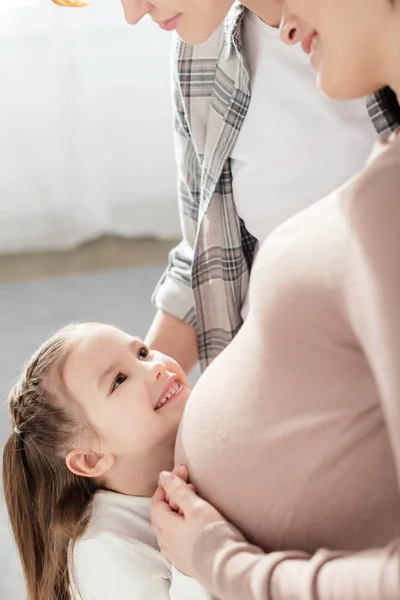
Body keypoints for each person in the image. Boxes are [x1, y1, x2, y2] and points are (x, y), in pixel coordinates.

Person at [150, 1, 400, 599]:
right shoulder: (202, 54)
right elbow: (205, 252)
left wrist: (222, 562)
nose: (287, 23)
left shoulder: (384, 202)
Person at [119, 0, 385, 374]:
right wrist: (129, 387)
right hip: (275, 364)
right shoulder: (198, 55)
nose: (133, 15)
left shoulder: (375, 24)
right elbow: (202, 252)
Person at [2, 323, 210, 600]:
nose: (155, 367)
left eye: (143, 353)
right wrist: (193, 563)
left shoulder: (200, 450)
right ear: (90, 459)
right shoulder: (105, 550)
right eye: (119, 381)